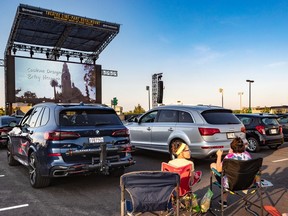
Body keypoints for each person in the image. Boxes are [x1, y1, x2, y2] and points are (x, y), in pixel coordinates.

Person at [210, 137, 252, 208]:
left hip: (231, 184)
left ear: (232, 147)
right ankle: (224, 200)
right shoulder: (247, 154)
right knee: (230, 174)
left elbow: (219, 169)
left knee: (213, 166)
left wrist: (219, 156)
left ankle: (224, 201)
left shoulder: (229, 157)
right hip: (246, 183)